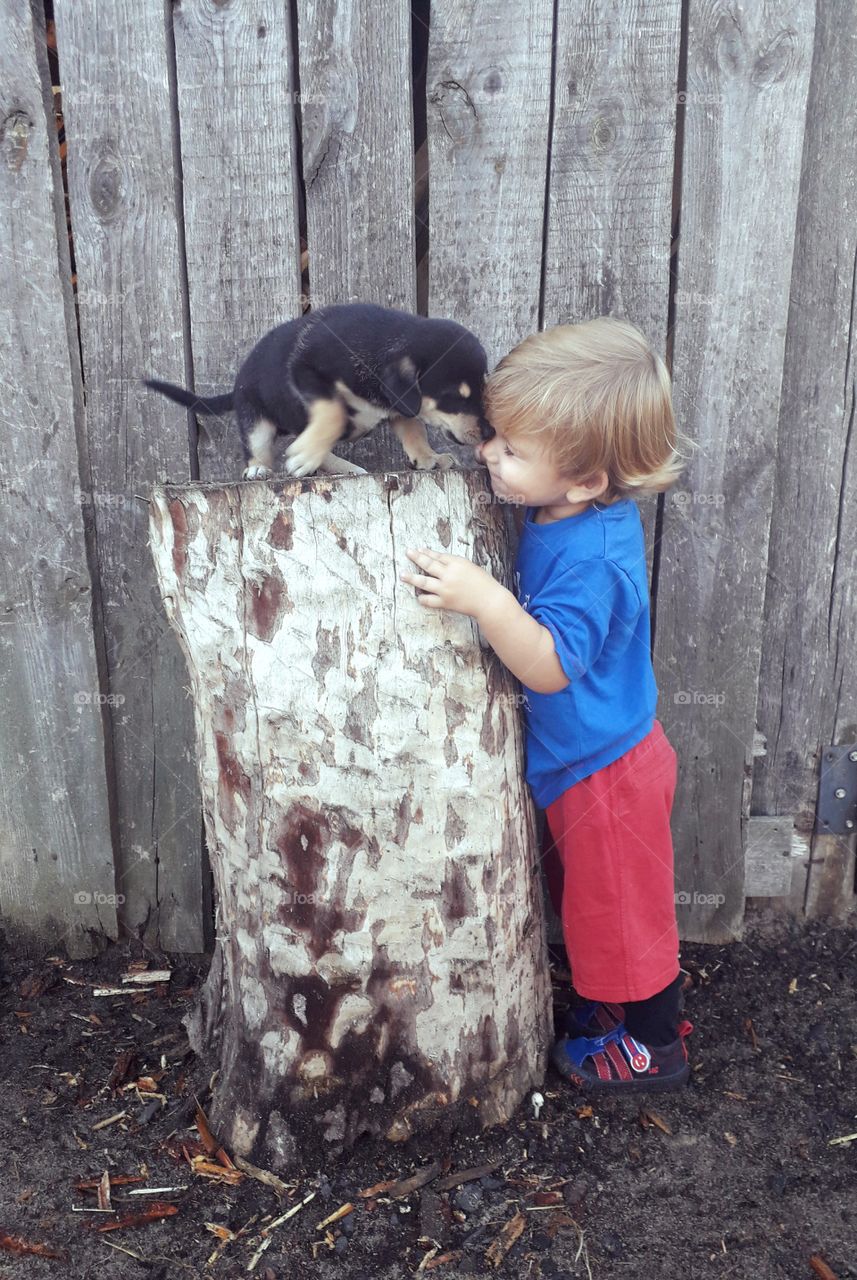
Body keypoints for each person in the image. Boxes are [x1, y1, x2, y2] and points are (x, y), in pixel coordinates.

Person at [399, 316, 696, 1092]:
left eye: (510, 449)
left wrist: (483, 598)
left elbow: (551, 666)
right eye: (494, 433)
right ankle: (611, 1010)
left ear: (588, 480)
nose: (487, 451)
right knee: (596, 906)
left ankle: (652, 1048)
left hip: (609, 769)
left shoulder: (594, 557)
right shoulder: (560, 508)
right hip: (583, 762)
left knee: (626, 912)